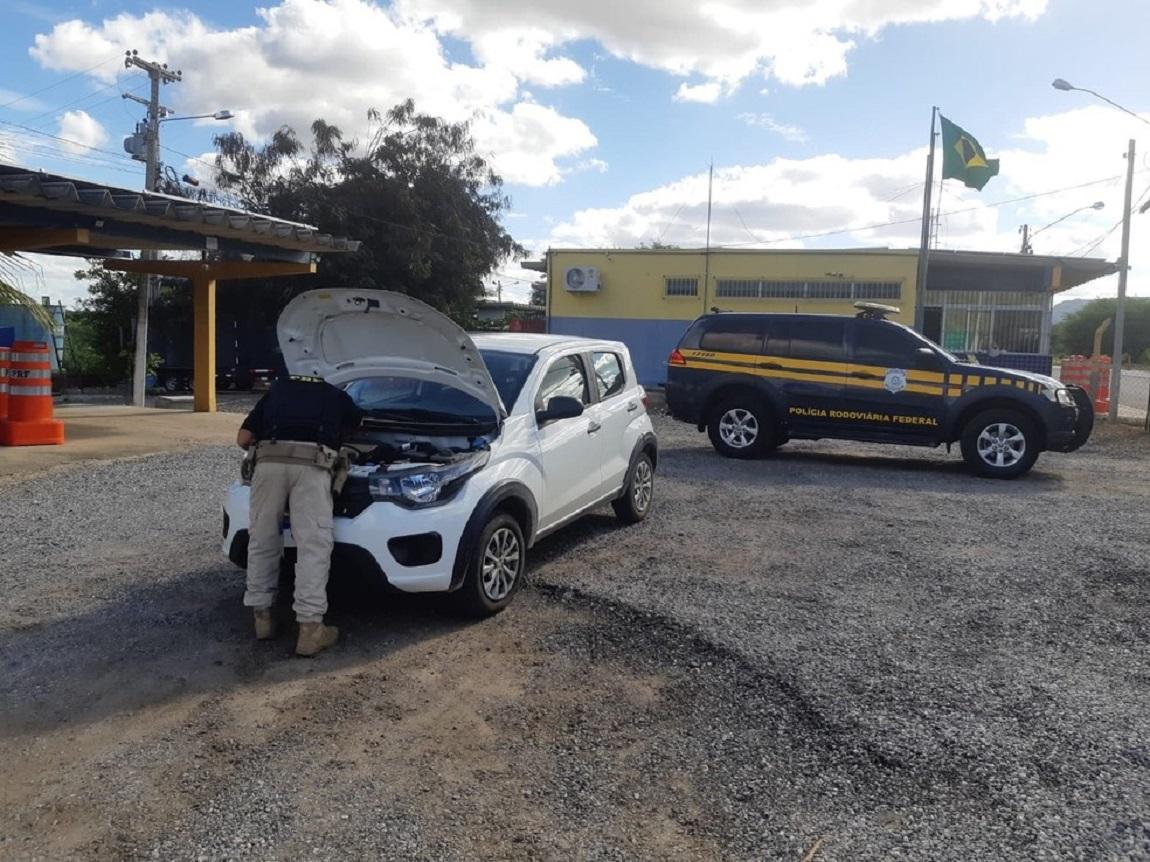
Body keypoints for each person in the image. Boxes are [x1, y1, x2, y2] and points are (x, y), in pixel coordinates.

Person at [237, 374, 363, 656]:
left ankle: (263, 619)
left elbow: (243, 438)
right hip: (312, 467)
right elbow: (356, 425)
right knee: (313, 545)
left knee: (262, 539)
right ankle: (310, 629)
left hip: (267, 466)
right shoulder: (336, 396)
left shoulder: (276, 393)